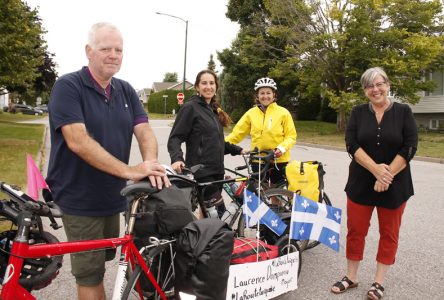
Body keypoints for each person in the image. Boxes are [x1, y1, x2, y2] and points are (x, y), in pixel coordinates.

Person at [46, 22, 170, 300]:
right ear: (89, 51)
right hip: (80, 199)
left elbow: (144, 130)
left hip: (114, 197)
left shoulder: (126, 90)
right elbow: (77, 140)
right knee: (89, 275)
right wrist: (129, 170)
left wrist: (149, 163)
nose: (113, 54)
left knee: (105, 261)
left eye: (119, 49)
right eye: (105, 49)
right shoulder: (68, 86)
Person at [331, 67, 418, 300]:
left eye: (379, 84)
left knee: (389, 233)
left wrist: (386, 175)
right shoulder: (358, 112)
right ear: (364, 90)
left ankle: (378, 282)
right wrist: (376, 171)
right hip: (360, 183)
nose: (375, 89)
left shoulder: (403, 111)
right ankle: (351, 277)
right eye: (369, 86)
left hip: (396, 185)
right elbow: (352, 144)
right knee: (355, 231)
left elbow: (410, 146)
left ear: (388, 85)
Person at [167, 69, 243, 217]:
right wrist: (176, 158)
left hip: (217, 170)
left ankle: (201, 239)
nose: (208, 87)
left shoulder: (213, 110)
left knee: (206, 214)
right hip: (201, 172)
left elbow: (218, 143)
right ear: (197, 87)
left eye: (211, 83)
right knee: (218, 214)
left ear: (216, 87)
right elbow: (175, 137)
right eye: (204, 83)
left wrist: (239, 150)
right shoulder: (190, 108)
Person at [225, 77, 297, 185]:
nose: (265, 96)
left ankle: (276, 201)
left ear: (274, 95)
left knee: (275, 193)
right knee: (259, 191)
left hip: (278, 160)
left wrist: (281, 148)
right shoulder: (251, 113)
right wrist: (222, 144)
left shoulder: (283, 113)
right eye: (262, 93)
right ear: (257, 96)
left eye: (268, 93)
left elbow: (291, 136)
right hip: (258, 159)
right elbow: (237, 134)